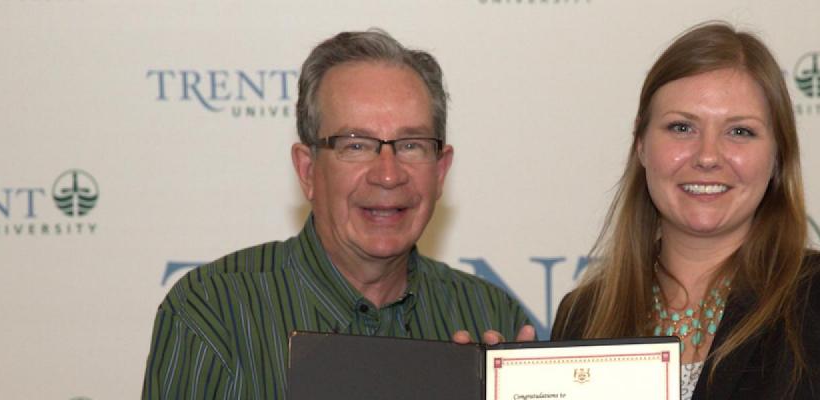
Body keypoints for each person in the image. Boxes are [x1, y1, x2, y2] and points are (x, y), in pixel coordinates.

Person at [143, 29, 534, 399]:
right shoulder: (213, 312)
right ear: (307, 170)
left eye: (411, 145)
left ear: (441, 170)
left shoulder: (491, 315)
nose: (388, 174)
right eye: (356, 145)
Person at [551, 22, 820, 399]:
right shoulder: (582, 316)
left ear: (778, 155)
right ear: (641, 145)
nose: (708, 156)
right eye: (681, 127)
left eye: (740, 132)